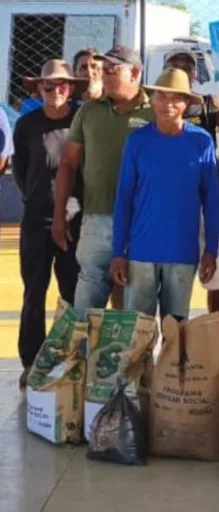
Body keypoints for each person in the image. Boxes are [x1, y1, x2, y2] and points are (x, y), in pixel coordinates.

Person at [109, 69, 219, 320]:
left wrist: (211, 249)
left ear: (186, 103)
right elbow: (124, 199)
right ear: (152, 99)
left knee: (176, 330)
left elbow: (212, 200)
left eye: (176, 98)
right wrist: (118, 252)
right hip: (141, 252)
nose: (168, 104)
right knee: (139, 330)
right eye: (162, 96)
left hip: (182, 252)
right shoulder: (137, 142)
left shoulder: (202, 142)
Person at [53, 45, 155, 314]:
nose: (104, 75)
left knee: (136, 310)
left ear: (135, 73)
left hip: (142, 222)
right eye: (103, 69)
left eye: (113, 70)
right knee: (85, 309)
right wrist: (59, 215)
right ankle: (86, 344)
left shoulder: (155, 112)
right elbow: (68, 163)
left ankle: (132, 346)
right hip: (96, 219)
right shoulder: (88, 112)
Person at [12, 60, 85, 387]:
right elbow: (20, 171)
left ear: (71, 89)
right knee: (34, 293)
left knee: (72, 293)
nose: (56, 90)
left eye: (62, 85)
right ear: (39, 89)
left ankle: (72, 359)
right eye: (49, 85)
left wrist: (69, 209)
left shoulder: (81, 121)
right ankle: (31, 361)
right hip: (36, 221)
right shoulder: (26, 125)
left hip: (73, 220)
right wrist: (37, 198)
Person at [164, 47, 219, 331]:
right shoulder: (158, 104)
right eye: (174, 65)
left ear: (195, 73)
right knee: (172, 278)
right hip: (172, 202)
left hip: (207, 199)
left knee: (215, 280)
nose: (180, 70)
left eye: (187, 66)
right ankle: (172, 343)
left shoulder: (209, 103)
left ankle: (215, 343)